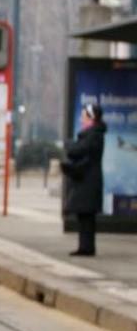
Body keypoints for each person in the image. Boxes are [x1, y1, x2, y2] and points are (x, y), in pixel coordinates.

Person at [61, 103, 106, 257]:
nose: (81, 120)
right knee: (84, 215)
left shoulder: (93, 135)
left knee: (87, 216)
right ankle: (85, 246)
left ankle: (86, 247)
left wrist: (69, 145)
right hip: (86, 180)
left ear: (91, 118)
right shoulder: (92, 134)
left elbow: (77, 151)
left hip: (89, 181)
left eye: (84, 117)